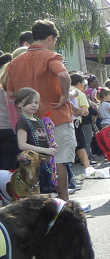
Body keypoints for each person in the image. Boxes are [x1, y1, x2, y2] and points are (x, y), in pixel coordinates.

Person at [4, 20, 76, 201]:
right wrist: (64, 96)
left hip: (28, 121)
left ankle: (35, 202)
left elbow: (11, 92)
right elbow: (62, 74)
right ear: (50, 38)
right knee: (58, 159)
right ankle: (63, 202)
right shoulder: (51, 56)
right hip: (54, 116)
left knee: (30, 161)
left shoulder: (15, 63)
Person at [0, 53, 20, 169]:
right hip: (9, 127)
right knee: (10, 161)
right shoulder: (10, 89)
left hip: (2, 126)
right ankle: (6, 185)